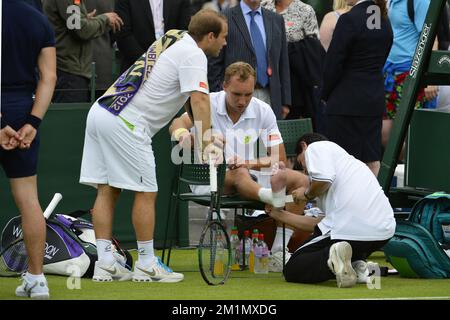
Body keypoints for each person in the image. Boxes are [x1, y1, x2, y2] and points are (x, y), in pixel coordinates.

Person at [79, 9, 228, 283]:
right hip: (127, 123)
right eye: (223, 37)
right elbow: (199, 100)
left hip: (101, 112)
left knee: (107, 188)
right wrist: (207, 142)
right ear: (209, 36)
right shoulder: (194, 55)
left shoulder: (173, 38)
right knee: (147, 191)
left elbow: (187, 96)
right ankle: (147, 264)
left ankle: (105, 262)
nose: (225, 43)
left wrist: (201, 131)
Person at [170, 62, 309, 271]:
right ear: (224, 86)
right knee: (239, 173)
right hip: (209, 180)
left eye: (248, 94)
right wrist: (183, 137)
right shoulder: (206, 103)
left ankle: (279, 253)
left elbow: (277, 157)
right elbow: (176, 124)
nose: (242, 101)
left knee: (300, 180)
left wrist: (248, 162)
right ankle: (270, 198)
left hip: (249, 179)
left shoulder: (263, 110)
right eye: (236, 94)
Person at [267, 133, 396, 288]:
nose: (306, 170)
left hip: (351, 229)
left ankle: (334, 260)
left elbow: (323, 180)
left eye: (302, 163)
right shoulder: (350, 167)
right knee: (339, 242)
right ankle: (357, 264)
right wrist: (280, 214)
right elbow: (320, 225)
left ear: (303, 146)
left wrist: (307, 194)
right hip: (383, 233)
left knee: (292, 269)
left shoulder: (316, 147)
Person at [1, 0, 57, 299]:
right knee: (29, 200)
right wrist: (32, 121)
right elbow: (49, 77)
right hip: (22, 108)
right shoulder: (37, 20)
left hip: (12, 108)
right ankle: (37, 280)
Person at [321, 0, 393, 176]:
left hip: (346, 103)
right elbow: (383, 55)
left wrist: (325, 94)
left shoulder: (349, 19)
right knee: (371, 159)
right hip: (372, 100)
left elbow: (333, 64)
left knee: (342, 162)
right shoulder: (383, 19)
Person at [208, 0, 291, 120]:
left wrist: (285, 101)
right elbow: (214, 63)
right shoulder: (224, 18)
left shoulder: (276, 19)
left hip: (270, 95)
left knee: (267, 137)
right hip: (235, 98)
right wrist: (219, 98)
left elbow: (283, 62)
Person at [382, 0, 436, 160]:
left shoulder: (419, 1)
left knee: (414, 136)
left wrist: (430, 79)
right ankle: (406, 172)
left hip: (410, 74)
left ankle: (415, 174)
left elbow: (431, 37)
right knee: (387, 137)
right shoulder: (390, 1)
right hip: (389, 75)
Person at [43, 0, 123, 102]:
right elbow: (80, 30)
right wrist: (105, 19)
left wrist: (88, 20)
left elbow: (76, 24)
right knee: (72, 116)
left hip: (71, 70)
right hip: (69, 71)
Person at [115, 0, 191, 72]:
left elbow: (183, 33)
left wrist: (168, 62)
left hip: (171, 67)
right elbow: (123, 35)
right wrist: (148, 63)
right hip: (135, 68)